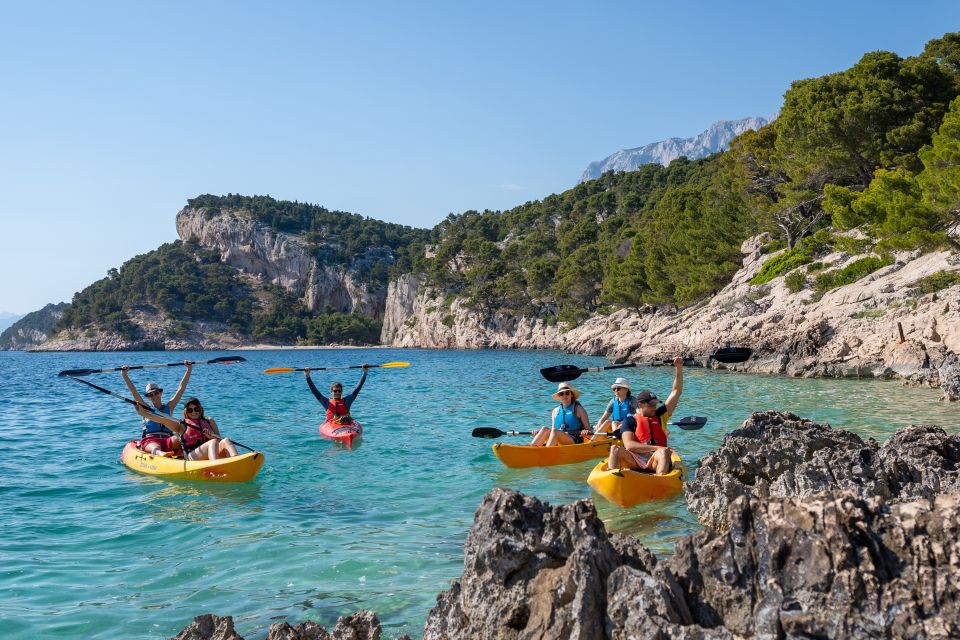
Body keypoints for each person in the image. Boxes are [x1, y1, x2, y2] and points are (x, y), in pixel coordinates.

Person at [607, 357, 684, 475]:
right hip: (635, 459)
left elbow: (676, 391)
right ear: (640, 404)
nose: (654, 407)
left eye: (655, 404)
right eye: (651, 404)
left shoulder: (660, 415)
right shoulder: (630, 420)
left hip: (656, 459)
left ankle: (659, 482)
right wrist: (656, 447)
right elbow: (629, 445)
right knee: (615, 449)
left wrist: (678, 368)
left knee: (663, 453)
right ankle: (614, 480)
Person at [121, 361, 193, 457]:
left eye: (156, 393)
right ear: (148, 397)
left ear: (160, 393)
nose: (154, 396)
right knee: (155, 446)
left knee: (181, 437)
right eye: (150, 395)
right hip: (151, 440)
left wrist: (188, 370)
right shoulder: (146, 408)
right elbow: (134, 392)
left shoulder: (169, 407)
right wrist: (125, 375)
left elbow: (181, 388)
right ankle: (160, 453)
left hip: (168, 440)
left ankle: (190, 454)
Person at [134, 397, 238, 461]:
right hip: (191, 456)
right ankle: (216, 467)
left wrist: (209, 436)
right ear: (186, 412)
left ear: (201, 410)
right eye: (190, 410)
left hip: (210, 450)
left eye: (196, 409)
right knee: (213, 442)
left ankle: (236, 461)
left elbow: (219, 441)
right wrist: (143, 413)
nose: (194, 412)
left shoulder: (209, 421)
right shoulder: (181, 425)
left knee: (226, 440)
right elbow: (162, 420)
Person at [530, 382, 591, 446]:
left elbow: (588, 429)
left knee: (555, 431)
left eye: (567, 393)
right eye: (561, 394)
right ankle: (531, 449)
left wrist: (586, 431)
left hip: (574, 439)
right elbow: (553, 430)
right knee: (544, 429)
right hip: (558, 437)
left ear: (571, 395)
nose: (564, 396)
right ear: (559, 396)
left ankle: (546, 452)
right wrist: (539, 433)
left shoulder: (579, 409)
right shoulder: (555, 411)